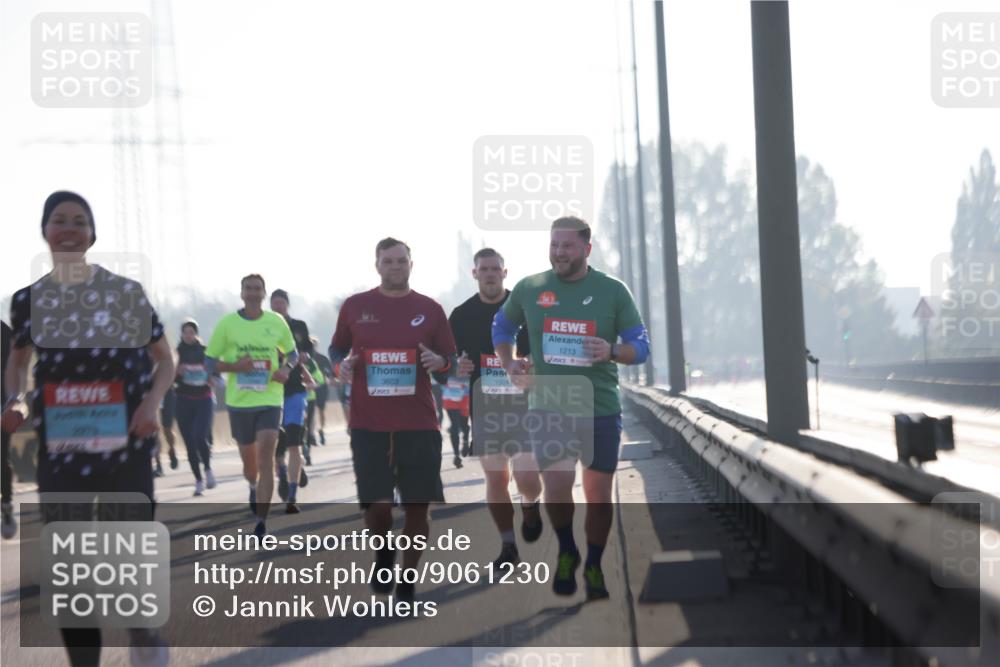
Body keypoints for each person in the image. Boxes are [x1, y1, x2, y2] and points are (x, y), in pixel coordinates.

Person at [2, 191, 175, 666]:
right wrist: (16, 399)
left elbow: (164, 360)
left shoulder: (124, 292)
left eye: (80, 221)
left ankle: (142, 629)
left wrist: (151, 404)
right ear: (45, 231)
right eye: (60, 220)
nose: (70, 229)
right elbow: (18, 363)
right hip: (63, 450)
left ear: (92, 235)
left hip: (127, 443)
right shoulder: (28, 301)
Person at [493, 216, 649, 600]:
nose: (559, 252)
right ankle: (567, 549)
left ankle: (594, 563)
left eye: (567, 246)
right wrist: (510, 363)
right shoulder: (531, 288)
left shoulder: (613, 291)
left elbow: (641, 347)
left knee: (598, 494)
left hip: (600, 408)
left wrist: (612, 350)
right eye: (554, 245)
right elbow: (502, 327)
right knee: (558, 486)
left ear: (586, 249)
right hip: (549, 407)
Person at [330, 237, 457, 603]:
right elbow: (336, 348)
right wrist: (341, 366)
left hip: (418, 424)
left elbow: (450, 362)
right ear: (377, 266)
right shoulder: (355, 306)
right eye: (388, 261)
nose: (396, 267)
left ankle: (408, 578)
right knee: (379, 506)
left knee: (418, 507)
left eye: (401, 261)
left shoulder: (430, 309)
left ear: (411, 265)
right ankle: (384, 551)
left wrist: (440, 363)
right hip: (368, 423)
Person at [449, 248, 541, 567]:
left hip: (525, 405)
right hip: (486, 407)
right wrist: (455, 366)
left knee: (527, 477)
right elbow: (449, 359)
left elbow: (544, 351)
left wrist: (530, 365)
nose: (489, 274)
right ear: (475, 273)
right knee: (496, 479)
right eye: (484, 269)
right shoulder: (461, 315)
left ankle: (530, 504)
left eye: (495, 269)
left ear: (504, 272)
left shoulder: (524, 308)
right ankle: (508, 546)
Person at [206, 274, 296, 535]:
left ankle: (261, 520)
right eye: (249, 288)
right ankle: (253, 486)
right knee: (250, 464)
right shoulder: (227, 324)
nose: (254, 292)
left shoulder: (276, 321)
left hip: (270, 399)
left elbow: (292, 353)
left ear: (264, 293)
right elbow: (209, 361)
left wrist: (286, 369)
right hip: (239, 402)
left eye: (258, 289)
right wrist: (235, 367)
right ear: (242, 293)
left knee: (266, 454)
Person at [268, 288, 311, 512]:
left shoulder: (299, 326)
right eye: (274, 303)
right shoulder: (263, 328)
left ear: (287, 305)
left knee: (294, 443)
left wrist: (304, 356)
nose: (278, 307)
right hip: (270, 392)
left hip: (295, 390)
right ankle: (283, 474)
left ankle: (292, 495)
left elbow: (307, 351)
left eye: (281, 303)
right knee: (276, 444)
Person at [174, 319, 216, 496]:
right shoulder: (176, 353)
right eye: (185, 332)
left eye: (191, 332)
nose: (188, 335)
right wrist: (177, 372)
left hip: (203, 399)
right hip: (183, 400)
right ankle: (198, 481)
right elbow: (167, 377)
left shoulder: (206, 352)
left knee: (199, 436)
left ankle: (207, 469)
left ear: (196, 334)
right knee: (189, 442)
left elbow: (217, 376)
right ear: (181, 334)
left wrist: (211, 377)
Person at [1, 320, 16, 539]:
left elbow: (13, 368)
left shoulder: (3, 331)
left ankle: (6, 504)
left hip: (1, 406)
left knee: (1, 457)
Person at [441, 375, 469, 469]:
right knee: (455, 425)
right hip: (451, 395)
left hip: (464, 395)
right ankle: (456, 455)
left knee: (464, 425)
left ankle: (465, 442)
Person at [311, 339, 334, 444]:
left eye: (314, 345)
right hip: (309, 387)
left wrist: (330, 378)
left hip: (322, 387)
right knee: (310, 411)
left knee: (321, 410)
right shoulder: (305, 358)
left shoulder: (323, 358)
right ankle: (311, 433)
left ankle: (321, 430)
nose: (312, 347)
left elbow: (330, 372)